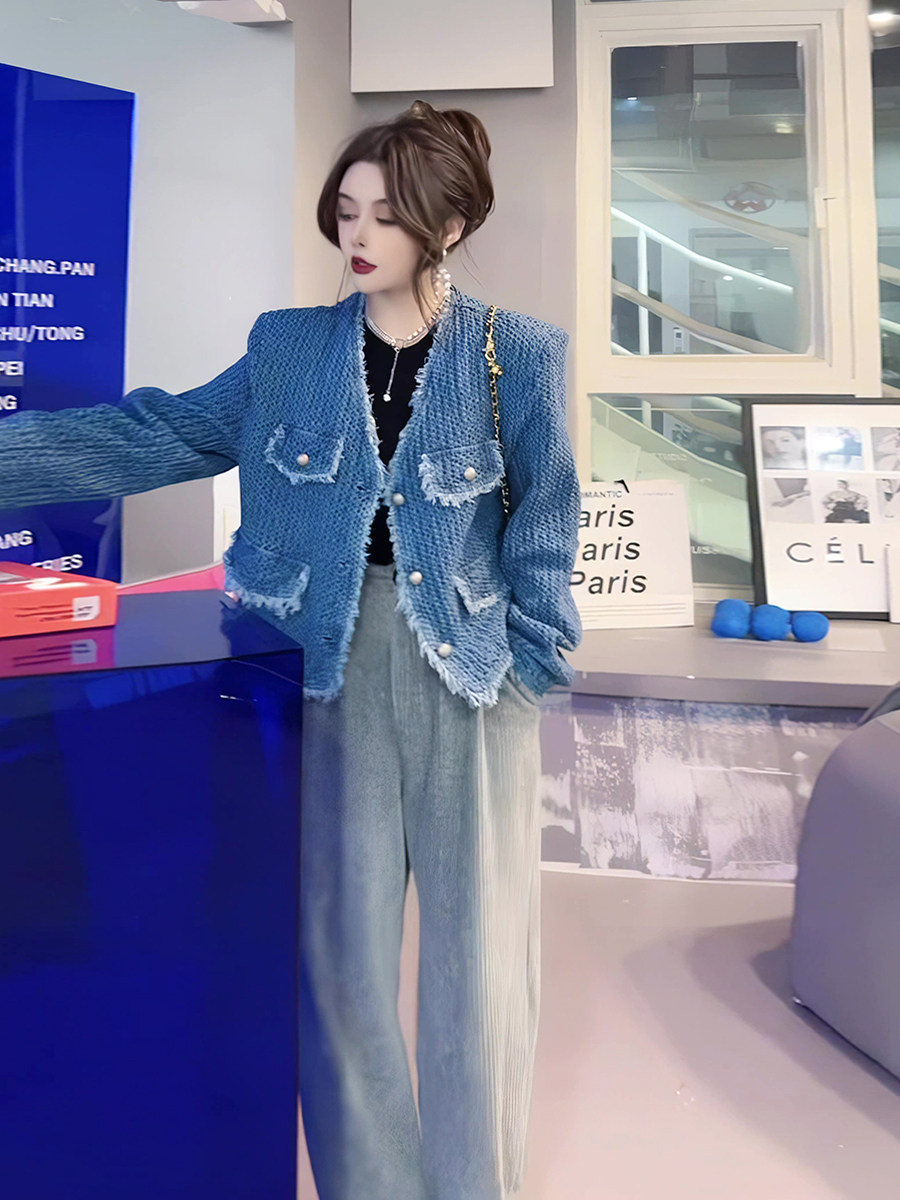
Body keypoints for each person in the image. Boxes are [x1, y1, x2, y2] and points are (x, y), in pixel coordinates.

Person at [0, 100, 582, 1200]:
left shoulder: (521, 354)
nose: (358, 235)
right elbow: (158, 431)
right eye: (346, 210)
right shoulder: (289, 347)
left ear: (450, 227)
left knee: (481, 970)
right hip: (323, 666)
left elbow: (547, 516)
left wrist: (533, 658)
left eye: (387, 216)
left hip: (470, 676)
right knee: (341, 963)